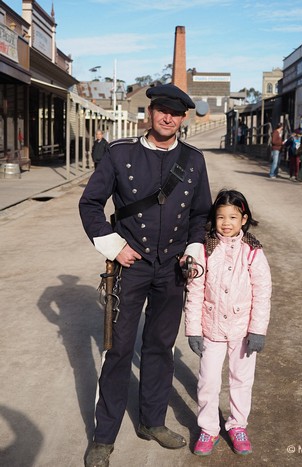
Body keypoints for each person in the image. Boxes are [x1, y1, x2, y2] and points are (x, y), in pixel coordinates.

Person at [79, 83, 212, 467]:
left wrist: (191, 249)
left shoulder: (194, 159)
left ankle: (152, 421)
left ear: (184, 118)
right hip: (130, 267)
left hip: (172, 268)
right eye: (161, 110)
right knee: (118, 349)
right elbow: (90, 203)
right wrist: (112, 245)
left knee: (160, 347)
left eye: (176, 113)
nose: (168, 117)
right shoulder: (120, 154)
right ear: (150, 113)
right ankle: (103, 437)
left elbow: (201, 213)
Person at [184, 189, 272, 457]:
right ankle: (208, 429)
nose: (226, 223)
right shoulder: (204, 249)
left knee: (241, 379)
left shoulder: (253, 251)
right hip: (210, 329)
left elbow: (262, 291)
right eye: (221, 217)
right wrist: (193, 330)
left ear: (243, 219)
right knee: (208, 381)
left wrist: (257, 330)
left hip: (243, 330)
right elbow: (195, 290)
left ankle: (237, 425)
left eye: (233, 217)